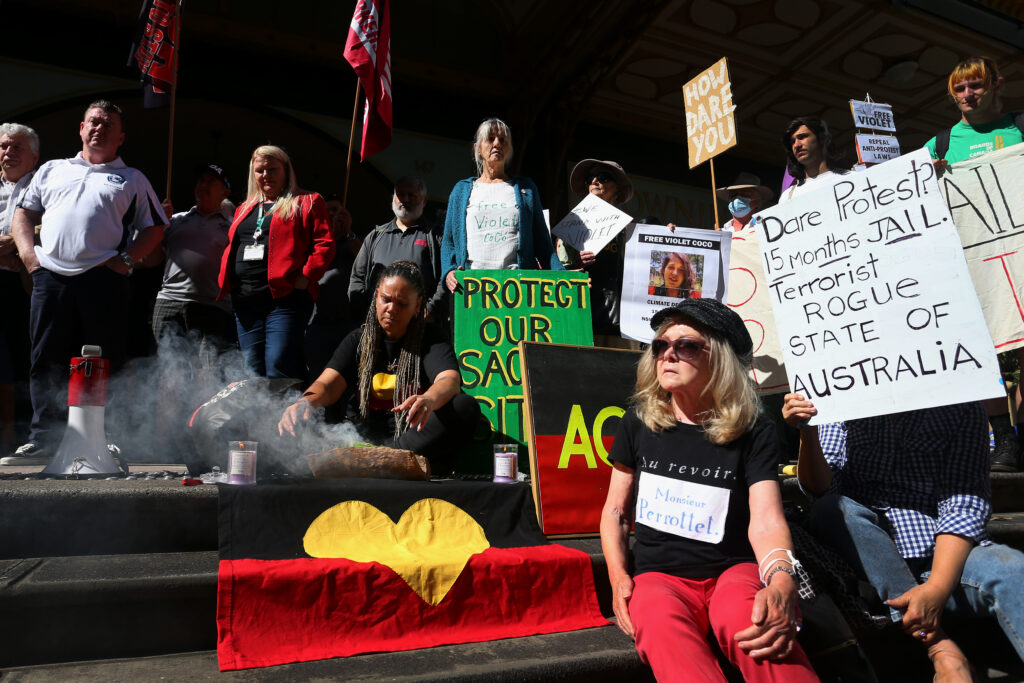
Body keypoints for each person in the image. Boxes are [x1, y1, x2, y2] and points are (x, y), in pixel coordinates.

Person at [601, 298, 817, 682]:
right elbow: (616, 512)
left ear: (718, 358)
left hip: (734, 571)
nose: (668, 354)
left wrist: (782, 580)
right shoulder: (637, 422)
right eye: (661, 345)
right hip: (659, 577)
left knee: (754, 624)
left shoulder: (755, 430)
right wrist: (619, 579)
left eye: (685, 345)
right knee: (661, 629)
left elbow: (767, 519)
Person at [782, 394, 1024, 681]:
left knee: (1012, 568)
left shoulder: (962, 405)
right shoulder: (840, 402)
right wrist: (808, 432)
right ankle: (939, 648)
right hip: (864, 553)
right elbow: (821, 489)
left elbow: (963, 504)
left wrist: (936, 588)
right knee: (831, 509)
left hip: (943, 551)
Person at [4, 101, 167, 465]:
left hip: (103, 279)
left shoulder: (133, 179)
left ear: (120, 137)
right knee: (45, 358)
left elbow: (155, 227)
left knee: (102, 360)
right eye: (94, 122)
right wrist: (31, 258)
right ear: (81, 128)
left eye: (108, 124)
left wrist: (126, 260)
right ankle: (43, 439)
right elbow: (24, 213)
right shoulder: (52, 170)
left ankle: (103, 437)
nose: (100, 128)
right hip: (50, 278)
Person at [279, 260, 480, 474]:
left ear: (418, 306)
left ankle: (385, 459)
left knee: (464, 407)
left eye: (402, 303)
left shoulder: (431, 339)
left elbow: (449, 380)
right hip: (358, 441)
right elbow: (327, 385)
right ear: (376, 298)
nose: (391, 309)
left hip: (410, 444)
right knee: (293, 415)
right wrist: (305, 402)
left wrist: (429, 399)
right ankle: (374, 461)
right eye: (385, 300)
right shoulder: (358, 340)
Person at [926, 56, 1024, 473]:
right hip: (973, 262)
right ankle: (1004, 440)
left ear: (996, 85)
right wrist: (927, 175)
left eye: (976, 86)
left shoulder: (1020, 128)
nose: (968, 95)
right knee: (981, 355)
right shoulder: (943, 143)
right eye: (959, 90)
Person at [216, 145, 334, 381]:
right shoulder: (244, 208)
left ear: (286, 171)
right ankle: (259, 418)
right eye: (260, 170)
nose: (266, 175)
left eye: (273, 169)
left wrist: (307, 275)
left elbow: (325, 243)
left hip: (285, 300)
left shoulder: (308, 201)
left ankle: (283, 417)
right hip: (246, 300)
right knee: (252, 370)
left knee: (279, 365)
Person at [441, 118, 563, 293]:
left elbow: (543, 243)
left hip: (517, 290)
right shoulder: (461, 191)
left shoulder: (526, 188)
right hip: (471, 287)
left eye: (503, 140)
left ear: (509, 149)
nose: (497, 143)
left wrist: (563, 276)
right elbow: (449, 241)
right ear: (478, 148)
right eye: (490, 139)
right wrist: (449, 271)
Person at [152, 163, 235, 367]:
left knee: (209, 371)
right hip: (170, 302)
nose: (203, 185)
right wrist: (157, 224)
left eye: (211, 181)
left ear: (225, 191)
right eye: (201, 180)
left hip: (214, 306)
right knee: (170, 371)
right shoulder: (175, 220)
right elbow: (148, 260)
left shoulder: (234, 226)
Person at [564, 159, 639, 349]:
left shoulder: (630, 228)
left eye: (603, 177)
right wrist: (574, 262)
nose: (595, 181)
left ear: (618, 188)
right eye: (590, 178)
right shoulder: (572, 224)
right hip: (581, 315)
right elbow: (558, 268)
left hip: (621, 319)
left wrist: (670, 233)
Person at [348, 175, 445, 323]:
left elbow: (445, 277)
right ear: (393, 198)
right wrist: (364, 312)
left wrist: (430, 311)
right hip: (377, 324)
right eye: (400, 194)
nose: (405, 199)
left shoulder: (436, 236)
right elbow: (357, 278)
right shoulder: (376, 236)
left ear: (424, 201)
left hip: (419, 326)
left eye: (411, 195)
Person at [0, 123, 39, 455]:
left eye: (16, 147)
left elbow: (49, 224)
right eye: (3, 147)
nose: (7, 153)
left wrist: (13, 243)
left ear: (34, 156)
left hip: (26, 285)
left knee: (24, 357)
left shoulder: (46, 186)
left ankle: (28, 434)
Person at [305, 194, 360, 378]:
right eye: (331, 211)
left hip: (347, 323)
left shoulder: (351, 241)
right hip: (317, 323)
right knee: (316, 377)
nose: (336, 215)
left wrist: (348, 231)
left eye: (339, 211)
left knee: (345, 378)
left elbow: (364, 262)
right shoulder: (312, 240)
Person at [779, 116, 850, 203]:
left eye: (802, 137)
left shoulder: (853, 178)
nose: (796, 145)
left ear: (822, 139)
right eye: (793, 141)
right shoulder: (788, 197)